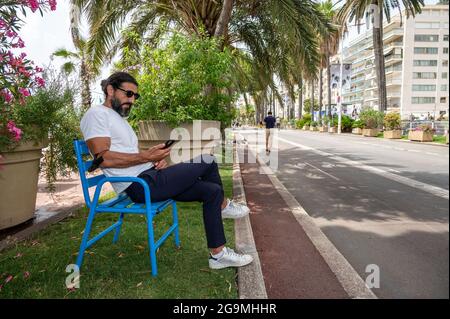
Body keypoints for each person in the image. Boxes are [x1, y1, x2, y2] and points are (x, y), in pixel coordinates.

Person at [80, 72, 253, 270]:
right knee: (208, 159)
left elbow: (129, 155)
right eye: (128, 94)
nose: (132, 100)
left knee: (211, 192)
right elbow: (104, 158)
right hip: (139, 186)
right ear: (110, 90)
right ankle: (224, 206)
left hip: (149, 176)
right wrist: (146, 158)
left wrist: (153, 160)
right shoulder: (96, 114)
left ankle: (218, 255)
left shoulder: (120, 120)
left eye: (135, 96)